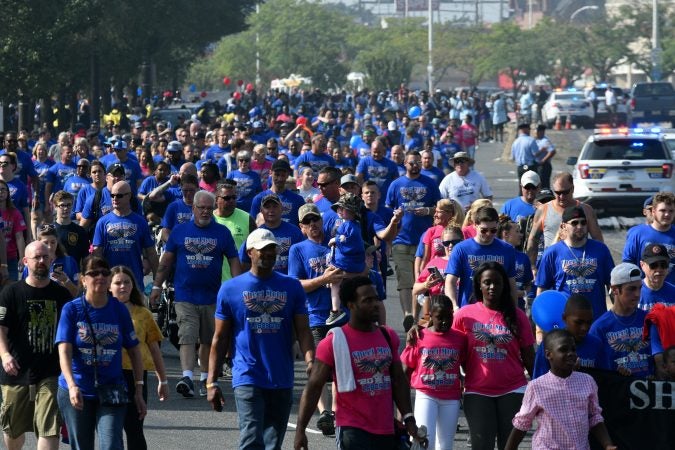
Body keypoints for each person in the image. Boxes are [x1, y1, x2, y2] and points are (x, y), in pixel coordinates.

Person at [206, 228, 314, 450]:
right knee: (252, 439)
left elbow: (303, 330)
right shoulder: (230, 289)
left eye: (272, 249)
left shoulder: (292, 286)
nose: (268, 254)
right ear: (250, 252)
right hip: (248, 375)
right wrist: (211, 381)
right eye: (263, 249)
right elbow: (220, 337)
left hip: (282, 376)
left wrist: (311, 360)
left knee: (273, 444)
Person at [293, 277, 425, 450]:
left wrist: (408, 419)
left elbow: (399, 380)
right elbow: (314, 387)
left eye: (376, 298)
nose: (375, 304)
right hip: (352, 432)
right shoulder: (333, 342)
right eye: (367, 300)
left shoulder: (387, 335)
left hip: (386, 430)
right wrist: (300, 429)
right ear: (350, 305)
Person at [149, 190, 241, 398]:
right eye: (202, 208)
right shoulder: (180, 232)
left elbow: (234, 259)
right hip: (185, 295)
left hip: (212, 296)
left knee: (207, 339)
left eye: (210, 208)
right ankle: (187, 376)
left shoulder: (222, 233)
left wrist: (237, 287)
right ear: (193, 209)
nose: (206, 212)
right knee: (188, 336)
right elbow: (166, 262)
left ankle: (204, 379)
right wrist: (156, 286)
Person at [55, 256, 147, 450]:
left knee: (112, 444)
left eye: (105, 273)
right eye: (94, 273)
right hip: (77, 388)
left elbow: (134, 350)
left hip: (111, 387)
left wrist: (138, 389)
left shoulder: (119, 310)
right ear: (82, 279)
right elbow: (64, 350)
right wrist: (71, 385)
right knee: (82, 446)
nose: (101, 277)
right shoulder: (71, 309)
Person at [452, 261, 535, 450]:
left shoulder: (518, 316)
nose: (492, 287)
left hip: (513, 389)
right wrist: (419, 330)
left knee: (508, 446)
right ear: (478, 285)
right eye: (487, 282)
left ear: (504, 285)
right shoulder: (465, 315)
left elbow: (529, 357)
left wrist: (541, 388)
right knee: (482, 446)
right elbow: (446, 343)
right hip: (477, 390)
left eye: (497, 283)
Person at [0, 241, 72, 450]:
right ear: (25, 261)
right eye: (36, 258)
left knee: (49, 428)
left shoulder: (61, 295)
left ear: (51, 260)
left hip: (51, 372)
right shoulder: (10, 293)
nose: (41, 261)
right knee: (13, 432)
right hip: (16, 371)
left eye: (45, 257)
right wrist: (5, 355)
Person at [287, 203, 348, 436]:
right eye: (308, 222)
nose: (313, 224)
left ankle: (336, 411)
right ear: (302, 227)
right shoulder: (298, 250)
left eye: (316, 220)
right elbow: (296, 284)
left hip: (341, 315)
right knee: (318, 367)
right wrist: (323, 279)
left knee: (340, 368)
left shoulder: (335, 244)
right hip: (315, 316)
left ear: (322, 221)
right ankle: (325, 413)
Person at [505, 329, 616, 450]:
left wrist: (607, 444)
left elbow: (594, 417)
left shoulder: (587, 381)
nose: (570, 353)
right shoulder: (536, 387)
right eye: (563, 349)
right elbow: (522, 423)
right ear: (548, 355)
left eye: (573, 349)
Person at [110, 265, 168, 450]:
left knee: (134, 430)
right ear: (109, 286)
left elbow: (154, 348)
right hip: (110, 376)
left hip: (137, 378)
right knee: (111, 431)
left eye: (127, 282)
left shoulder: (143, 314)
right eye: (117, 283)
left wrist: (163, 380)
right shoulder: (102, 311)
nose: (122, 287)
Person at [400, 295, 467, 450]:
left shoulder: (460, 338)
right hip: (426, 395)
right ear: (430, 315)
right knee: (423, 441)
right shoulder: (419, 336)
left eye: (448, 317)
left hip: (451, 397)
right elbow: (405, 368)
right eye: (439, 317)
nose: (444, 321)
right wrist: (401, 406)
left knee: (445, 445)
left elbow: (466, 364)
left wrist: (464, 380)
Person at [386, 150, 441, 330]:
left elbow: (439, 209)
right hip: (401, 240)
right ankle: (408, 315)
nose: (415, 165)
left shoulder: (430, 183)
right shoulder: (396, 184)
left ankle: (419, 320)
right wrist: (396, 215)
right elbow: (388, 212)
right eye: (411, 162)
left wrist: (428, 211)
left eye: (418, 162)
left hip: (425, 242)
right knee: (405, 282)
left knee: (423, 282)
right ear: (404, 164)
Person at [535, 206, 614, 322]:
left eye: (583, 223)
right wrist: (541, 325)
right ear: (563, 226)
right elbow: (542, 290)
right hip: (565, 322)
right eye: (575, 223)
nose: (580, 227)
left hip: (597, 321)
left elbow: (612, 285)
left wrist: (616, 317)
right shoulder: (552, 253)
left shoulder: (601, 250)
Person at [445, 206, 518, 309]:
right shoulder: (461, 249)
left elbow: (511, 285)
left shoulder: (507, 250)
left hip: (499, 310)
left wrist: (514, 311)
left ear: (498, 225)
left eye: (493, 230)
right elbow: (450, 281)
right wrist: (454, 306)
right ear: (475, 225)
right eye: (484, 230)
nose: (488, 234)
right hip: (469, 310)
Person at [92, 180, 158, 291]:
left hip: (134, 283)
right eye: (112, 195)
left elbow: (151, 252)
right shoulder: (102, 222)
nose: (115, 198)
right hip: (110, 283)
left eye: (119, 195)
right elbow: (97, 254)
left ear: (129, 196)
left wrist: (157, 282)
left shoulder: (140, 221)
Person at [589, 263, 653, 377]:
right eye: (631, 289)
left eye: (639, 288)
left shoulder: (649, 319)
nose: (637, 294)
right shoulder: (599, 328)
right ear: (615, 290)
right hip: (617, 391)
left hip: (648, 390)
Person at [526, 172, 603, 264]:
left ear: (573, 189)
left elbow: (598, 240)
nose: (561, 197)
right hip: (552, 265)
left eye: (565, 192)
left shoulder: (586, 210)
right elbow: (533, 239)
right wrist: (532, 266)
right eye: (558, 193)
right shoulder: (543, 210)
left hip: (579, 264)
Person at [532, 294, 602, 378]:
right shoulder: (549, 344)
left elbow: (605, 378)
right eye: (578, 322)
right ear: (564, 318)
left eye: (589, 322)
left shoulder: (596, 345)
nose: (585, 328)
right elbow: (539, 382)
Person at [327, 193, 365, 325]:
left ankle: (335, 310)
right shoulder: (355, 225)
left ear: (351, 212)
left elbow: (345, 241)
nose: (339, 211)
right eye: (339, 208)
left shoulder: (348, 225)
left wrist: (334, 240)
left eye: (342, 208)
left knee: (335, 282)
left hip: (347, 263)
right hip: (354, 264)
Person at [622, 191, 674, 285]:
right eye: (662, 210)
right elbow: (628, 263)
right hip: (643, 292)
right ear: (653, 211)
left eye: (671, 211)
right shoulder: (637, 234)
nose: (667, 214)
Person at [0, 178, 27, 282]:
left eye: (3, 189)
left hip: (11, 256)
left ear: (8, 193)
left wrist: (21, 257)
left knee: (10, 287)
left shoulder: (15, 213)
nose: (0, 192)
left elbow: (19, 237)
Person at [52, 191, 89, 265]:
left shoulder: (80, 231)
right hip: (53, 273)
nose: (66, 208)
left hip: (73, 273)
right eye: (62, 205)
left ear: (72, 205)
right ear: (55, 206)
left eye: (68, 205)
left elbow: (85, 258)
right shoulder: (50, 230)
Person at [638, 243, 675, 310]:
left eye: (663, 265)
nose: (659, 269)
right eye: (653, 265)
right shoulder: (633, 293)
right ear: (642, 265)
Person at [510, 123, 539, 192]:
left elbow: (512, 157)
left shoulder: (515, 142)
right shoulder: (531, 140)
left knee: (522, 185)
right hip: (530, 166)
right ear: (526, 130)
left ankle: (521, 199)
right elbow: (535, 154)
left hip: (520, 167)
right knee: (533, 186)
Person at [534, 124, 555, 189]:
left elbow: (552, 151)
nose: (535, 133)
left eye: (537, 131)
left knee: (544, 184)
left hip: (544, 166)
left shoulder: (545, 141)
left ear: (542, 132)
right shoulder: (536, 140)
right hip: (536, 165)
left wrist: (543, 160)